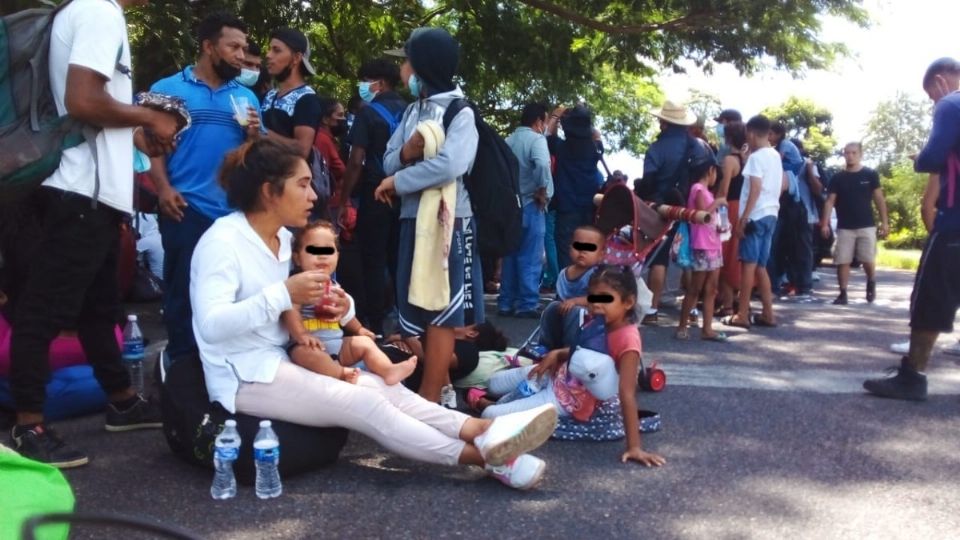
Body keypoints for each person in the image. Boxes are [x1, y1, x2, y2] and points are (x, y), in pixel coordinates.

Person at [192, 137, 557, 489]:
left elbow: (312, 302)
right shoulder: (222, 242)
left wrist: (341, 306)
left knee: (383, 385)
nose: (314, 195)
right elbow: (211, 326)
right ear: (269, 192)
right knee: (364, 401)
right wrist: (282, 294)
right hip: (240, 376)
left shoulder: (284, 239)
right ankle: (487, 458)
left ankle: (484, 431)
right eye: (302, 185)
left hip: (283, 359)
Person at [8, 0, 181, 467]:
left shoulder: (82, 12)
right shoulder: (98, 10)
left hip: (93, 195)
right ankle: (29, 426)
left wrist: (140, 135)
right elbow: (84, 99)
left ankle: (122, 400)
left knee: (100, 306)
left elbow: (82, 111)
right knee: (42, 312)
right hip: (75, 193)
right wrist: (147, 116)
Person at [375, 27, 484, 404]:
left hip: (449, 221)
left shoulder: (460, 110)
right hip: (412, 219)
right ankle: (433, 391)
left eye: (406, 62)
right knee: (419, 304)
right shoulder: (412, 111)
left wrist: (396, 182)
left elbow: (451, 164)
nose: (403, 70)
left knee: (443, 308)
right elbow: (388, 159)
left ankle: (431, 392)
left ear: (423, 67)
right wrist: (407, 153)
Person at [148, 12, 260, 367]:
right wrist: (163, 189)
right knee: (183, 294)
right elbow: (149, 146)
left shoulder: (246, 98)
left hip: (233, 214)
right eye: (233, 47)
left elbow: (254, 159)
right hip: (185, 208)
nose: (242, 55)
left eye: (244, 47)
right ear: (208, 47)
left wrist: (255, 138)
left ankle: (225, 369)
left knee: (232, 295)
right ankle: (183, 370)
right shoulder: (167, 89)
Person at [473, 266, 667, 467]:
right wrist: (557, 354)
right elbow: (583, 349)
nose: (596, 304)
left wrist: (634, 446)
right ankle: (508, 401)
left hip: (568, 399)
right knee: (493, 383)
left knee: (489, 416)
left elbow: (627, 393)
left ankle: (493, 405)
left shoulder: (627, 339)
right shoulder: (599, 320)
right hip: (558, 375)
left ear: (628, 302)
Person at [864, 58, 960, 400]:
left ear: (939, 82)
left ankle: (912, 376)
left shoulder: (952, 102)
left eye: (930, 95)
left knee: (929, 300)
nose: (933, 102)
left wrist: (919, 159)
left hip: (954, 226)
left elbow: (933, 156)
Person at [281, 221, 417, 386]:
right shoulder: (299, 285)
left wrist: (359, 328)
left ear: (337, 256)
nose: (322, 255)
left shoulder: (334, 286)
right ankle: (340, 373)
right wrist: (301, 335)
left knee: (365, 344)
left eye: (328, 251)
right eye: (313, 250)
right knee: (304, 354)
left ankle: (388, 370)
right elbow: (290, 311)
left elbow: (345, 315)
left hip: (338, 346)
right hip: (310, 345)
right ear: (297, 258)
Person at [339, 58, 406, 336]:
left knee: (373, 260)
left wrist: (344, 198)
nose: (363, 86)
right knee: (400, 259)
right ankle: (406, 322)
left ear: (379, 82)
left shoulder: (368, 114)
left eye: (366, 80)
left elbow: (356, 160)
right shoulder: (410, 110)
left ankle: (374, 322)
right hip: (405, 192)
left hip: (374, 193)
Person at [639, 100, 699, 326]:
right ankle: (691, 310)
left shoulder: (657, 148)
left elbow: (648, 180)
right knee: (690, 258)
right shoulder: (697, 146)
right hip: (690, 207)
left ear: (664, 122)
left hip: (658, 205)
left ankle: (652, 309)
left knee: (656, 258)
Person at [724, 115, 782, 329]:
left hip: (755, 215)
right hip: (771, 214)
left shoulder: (757, 159)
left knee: (747, 265)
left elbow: (755, 189)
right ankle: (768, 313)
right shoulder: (775, 156)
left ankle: (742, 314)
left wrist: (743, 218)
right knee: (760, 266)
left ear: (750, 132)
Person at [498, 103, 552, 318]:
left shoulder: (508, 141)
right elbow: (541, 165)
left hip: (510, 206)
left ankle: (505, 302)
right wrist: (542, 188)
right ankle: (527, 304)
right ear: (538, 122)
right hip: (532, 202)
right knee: (530, 257)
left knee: (510, 254)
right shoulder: (537, 139)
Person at [820, 142, 889, 305]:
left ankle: (871, 280)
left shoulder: (870, 174)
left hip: (866, 224)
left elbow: (879, 199)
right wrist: (824, 223)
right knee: (842, 260)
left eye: (853, 153)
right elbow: (830, 201)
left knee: (867, 258)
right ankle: (843, 293)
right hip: (845, 226)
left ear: (860, 154)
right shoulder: (837, 178)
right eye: (847, 153)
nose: (850, 156)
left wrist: (885, 222)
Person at [677, 145, 726, 342]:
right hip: (702, 244)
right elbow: (701, 214)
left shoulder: (707, 191)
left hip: (714, 244)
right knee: (695, 287)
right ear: (711, 171)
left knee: (712, 288)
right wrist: (717, 203)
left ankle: (707, 327)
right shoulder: (697, 188)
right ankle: (682, 325)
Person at [548, 104, 603, 271]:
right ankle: (584, 286)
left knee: (566, 249)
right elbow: (596, 134)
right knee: (586, 249)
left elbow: (549, 135)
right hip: (589, 207)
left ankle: (567, 286)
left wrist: (556, 116)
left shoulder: (562, 147)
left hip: (567, 207)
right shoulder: (595, 148)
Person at [261, 28, 321, 160]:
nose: (268, 55)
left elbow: (302, 150)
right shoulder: (269, 95)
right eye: (270, 49)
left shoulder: (307, 100)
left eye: (276, 50)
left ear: (296, 58)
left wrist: (263, 133)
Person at [716, 121, 746, 317]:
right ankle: (737, 301)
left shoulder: (729, 161)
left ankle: (727, 304)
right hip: (741, 209)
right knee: (737, 256)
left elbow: (723, 191)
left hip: (729, 209)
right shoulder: (745, 159)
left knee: (724, 256)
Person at [314, 98, 347, 217]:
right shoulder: (322, 140)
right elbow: (320, 178)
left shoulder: (330, 139)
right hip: (329, 207)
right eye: (340, 115)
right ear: (325, 119)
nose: (343, 119)